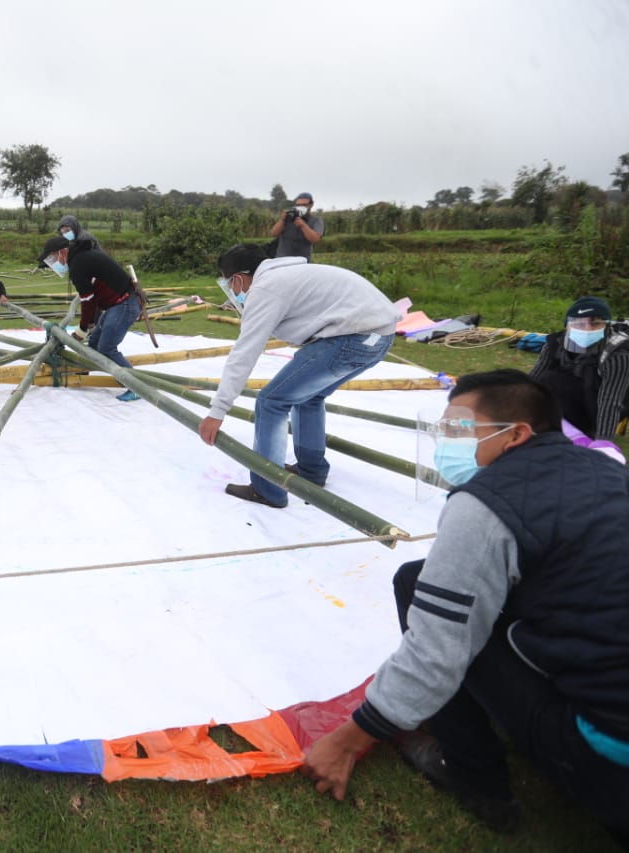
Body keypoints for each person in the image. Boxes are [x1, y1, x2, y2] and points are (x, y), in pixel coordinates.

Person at [300, 369, 629, 844]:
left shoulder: (487, 505)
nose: (444, 442)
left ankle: (477, 779)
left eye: (457, 430)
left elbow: (436, 652)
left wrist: (348, 740)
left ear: (516, 434)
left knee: (417, 584)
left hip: (612, 756)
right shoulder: (606, 470)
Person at [198, 243, 399, 506]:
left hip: (352, 339)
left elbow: (244, 353)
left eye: (230, 285)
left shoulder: (265, 288)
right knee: (308, 397)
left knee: (271, 401)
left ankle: (267, 488)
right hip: (380, 337)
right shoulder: (287, 276)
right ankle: (311, 471)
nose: (234, 293)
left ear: (238, 278)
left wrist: (217, 411)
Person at [42, 234, 141, 402]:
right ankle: (83, 371)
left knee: (107, 348)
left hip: (124, 304)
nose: (53, 264)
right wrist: (89, 325)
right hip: (115, 305)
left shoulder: (78, 264)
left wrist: (82, 329)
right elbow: (92, 299)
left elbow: (87, 301)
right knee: (94, 345)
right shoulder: (80, 258)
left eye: (52, 258)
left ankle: (137, 387)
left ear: (61, 253)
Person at [529, 295, 629, 443]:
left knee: (566, 381)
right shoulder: (555, 344)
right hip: (573, 396)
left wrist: (603, 443)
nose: (587, 329)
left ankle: (582, 431)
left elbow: (610, 401)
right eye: (580, 324)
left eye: (595, 324)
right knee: (546, 380)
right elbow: (531, 382)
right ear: (567, 326)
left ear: (606, 327)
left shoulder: (617, 355)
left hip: (604, 400)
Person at [269, 192, 324, 260]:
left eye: (304, 205)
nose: (300, 207)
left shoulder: (316, 221)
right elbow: (273, 233)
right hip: (282, 259)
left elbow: (315, 239)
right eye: (298, 205)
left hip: (302, 260)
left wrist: (303, 225)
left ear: (311, 205)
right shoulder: (289, 217)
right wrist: (282, 220)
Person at [36, 215, 101, 268]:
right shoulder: (71, 239)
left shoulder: (84, 238)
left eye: (67, 228)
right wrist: (48, 263)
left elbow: (82, 254)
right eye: (62, 228)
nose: (64, 231)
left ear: (74, 226)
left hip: (97, 265)